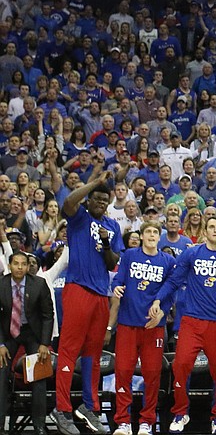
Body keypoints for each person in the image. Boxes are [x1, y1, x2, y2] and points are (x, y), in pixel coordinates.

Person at [154, 216, 216, 434]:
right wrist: (159, 299)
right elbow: (174, 281)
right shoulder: (192, 253)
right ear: (205, 231)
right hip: (192, 321)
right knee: (180, 365)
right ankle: (180, 412)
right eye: (212, 227)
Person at [54, 172, 122, 435]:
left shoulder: (112, 227)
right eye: (97, 199)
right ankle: (62, 408)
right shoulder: (80, 218)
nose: (102, 203)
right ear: (90, 199)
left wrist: (106, 243)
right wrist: (94, 181)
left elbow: (113, 262)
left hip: (100, 295)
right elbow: (68, 203)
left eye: (105, 200)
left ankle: (90, 407)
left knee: (93, 356)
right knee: (70, 351)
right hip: (78, 289)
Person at [109, 222, 175, 435]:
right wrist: (116, 287)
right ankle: (123, 421)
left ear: (159, 237)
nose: (152, 235)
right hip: (128, 324)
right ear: (142, 235)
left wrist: (162, 314)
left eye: (156, 232)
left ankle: (147, 421)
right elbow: (118, 279)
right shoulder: (129, 255)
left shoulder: (168, 261)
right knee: (123, 372)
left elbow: (172, 292)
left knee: (152, 374)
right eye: (148, 232)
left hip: (153, 326)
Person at [0, 251, 54, 435]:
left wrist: (44, 344)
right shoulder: (1, 285)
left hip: (33, 333)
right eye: (16, 263)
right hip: (8, 334)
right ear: (10, 265)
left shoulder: (38, 284)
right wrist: (0, 345)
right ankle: (1, 426)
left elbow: (48, 315)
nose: (20, 267)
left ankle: (39, 425)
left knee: (39, 375)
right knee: (1, 372)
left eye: (24, 264)